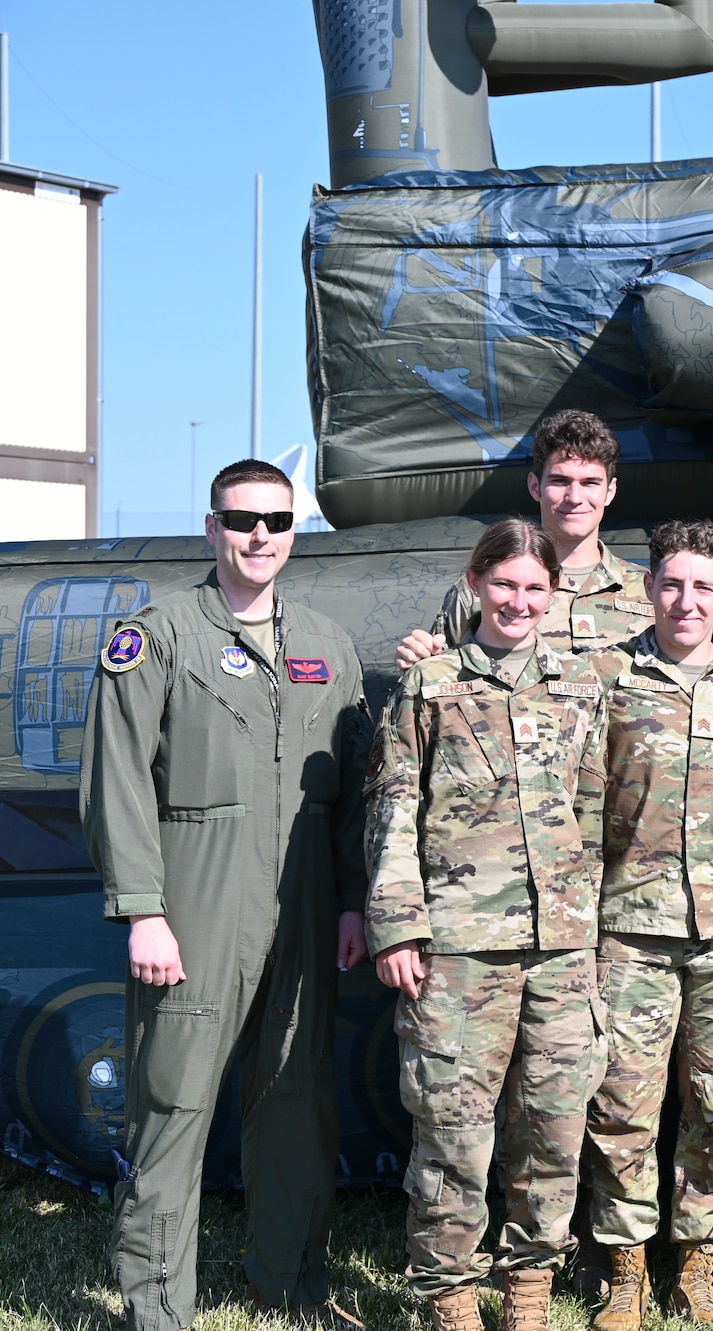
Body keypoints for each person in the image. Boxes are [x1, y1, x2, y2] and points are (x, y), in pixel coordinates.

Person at [82, 458, 371, 1331]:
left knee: (297, 1098)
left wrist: (355, 900)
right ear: (211, 526)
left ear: (294, 534)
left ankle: (287, 1284)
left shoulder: (329, 644)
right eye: (241, 520)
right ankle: (158, 1305)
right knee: (173, 1103)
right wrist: (143, 909)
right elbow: (115, 780)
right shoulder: (158, 637)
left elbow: (357, 789)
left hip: (307, 901)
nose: (259, 537)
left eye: (277, 522)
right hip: (195, 901)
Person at [366, 518, 610, 1331]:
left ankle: (530, 1293)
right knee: (454, 1133)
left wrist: (588, 923)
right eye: (504, 584)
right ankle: (450, 1300)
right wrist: (399, 925)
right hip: (460, 947)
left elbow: (592, 813)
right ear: (473, 584)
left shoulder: (579, 686)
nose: (519, 600)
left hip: (560, 950)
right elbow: (394, 808)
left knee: (553, 1127)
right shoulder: (429, 685)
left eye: (535, 587)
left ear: (553, 594)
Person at [580, 520, 713, 1331]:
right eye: (671, 583)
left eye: (702, 586)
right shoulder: (607, 679)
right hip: (630, 928)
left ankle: (696, 1265)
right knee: (622, 1104)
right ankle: (625, 1271)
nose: (685, 600)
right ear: (649, 586)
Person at [396, 409, 652, 666]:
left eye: (589, 483)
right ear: (534, 486)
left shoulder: (650, 591)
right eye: (560, 481)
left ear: (609, 492)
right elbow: (437, 677)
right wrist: (420, 658)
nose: (574, 497)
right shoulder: (480, 589)